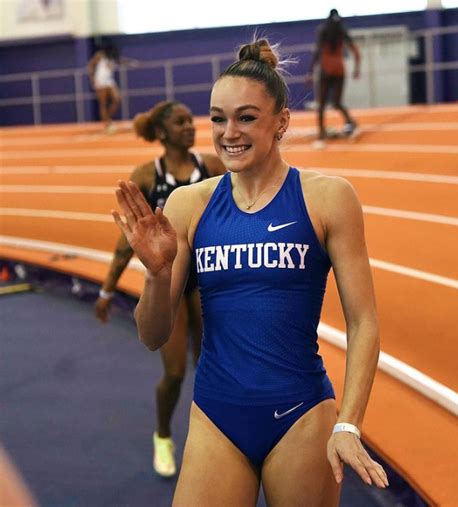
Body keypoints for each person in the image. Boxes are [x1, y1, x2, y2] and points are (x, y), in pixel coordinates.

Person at [112, 38, 388, 505]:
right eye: (218, 118)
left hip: (301, 415)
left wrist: (349, 423)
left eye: (246, 117)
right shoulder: (188, 204)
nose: (228, 132)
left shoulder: (328, 198)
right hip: (216, 416)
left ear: (281, 121)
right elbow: (152, 336)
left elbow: (364, 322)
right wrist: (158, 277)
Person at [95, 100, 226, 477]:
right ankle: (164, 435)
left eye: (191, 120)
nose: (190, 126)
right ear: (164, 132)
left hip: (206, 280)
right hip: (170, 282)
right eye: (181, 122)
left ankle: (213, 442)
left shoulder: (211, 168)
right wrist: (106, 291)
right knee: (175, 373)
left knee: (211, 369)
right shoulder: (148, 176)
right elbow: (125, 244)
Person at [307, 9, 361, 147]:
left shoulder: (323, 30)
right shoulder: (341, 31)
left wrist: (310, 72)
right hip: (339, 70)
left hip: (325, 70)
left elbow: (318, 51)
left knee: (321, 105)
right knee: (337, 102)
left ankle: (321, 136)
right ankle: (352, 124)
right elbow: (355, 51)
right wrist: (356, 69)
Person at [87, 44, 136, 133]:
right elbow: (90, 65)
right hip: (100, 81)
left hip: (109, 81)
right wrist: (92, 79)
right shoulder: (100, 55)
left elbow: (121, 61)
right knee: (103, 103)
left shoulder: (113, 58)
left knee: (117, 99)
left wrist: (131, 63)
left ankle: (108, 118)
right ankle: (107, 124)